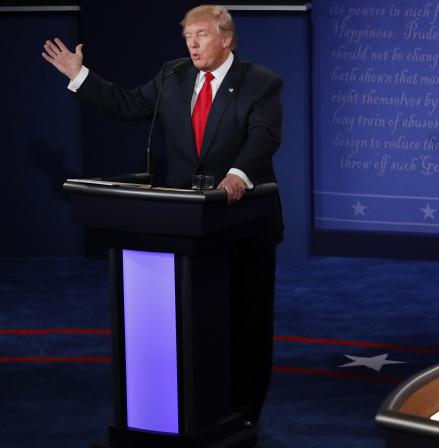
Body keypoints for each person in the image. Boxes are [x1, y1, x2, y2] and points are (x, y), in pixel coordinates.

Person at [42, 5, 282, 426]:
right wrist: (79, 76)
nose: (192, 43)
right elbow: (126, 104)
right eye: (188, 35)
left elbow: (264, 137)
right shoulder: (173, 77)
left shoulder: (260, 82)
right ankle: (197, 405)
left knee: (247, 322)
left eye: (201, 35)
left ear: (226, 39)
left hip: (243, 223)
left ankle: (246, 412)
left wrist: (238, 175)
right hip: (186, 226)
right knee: (195, 323)